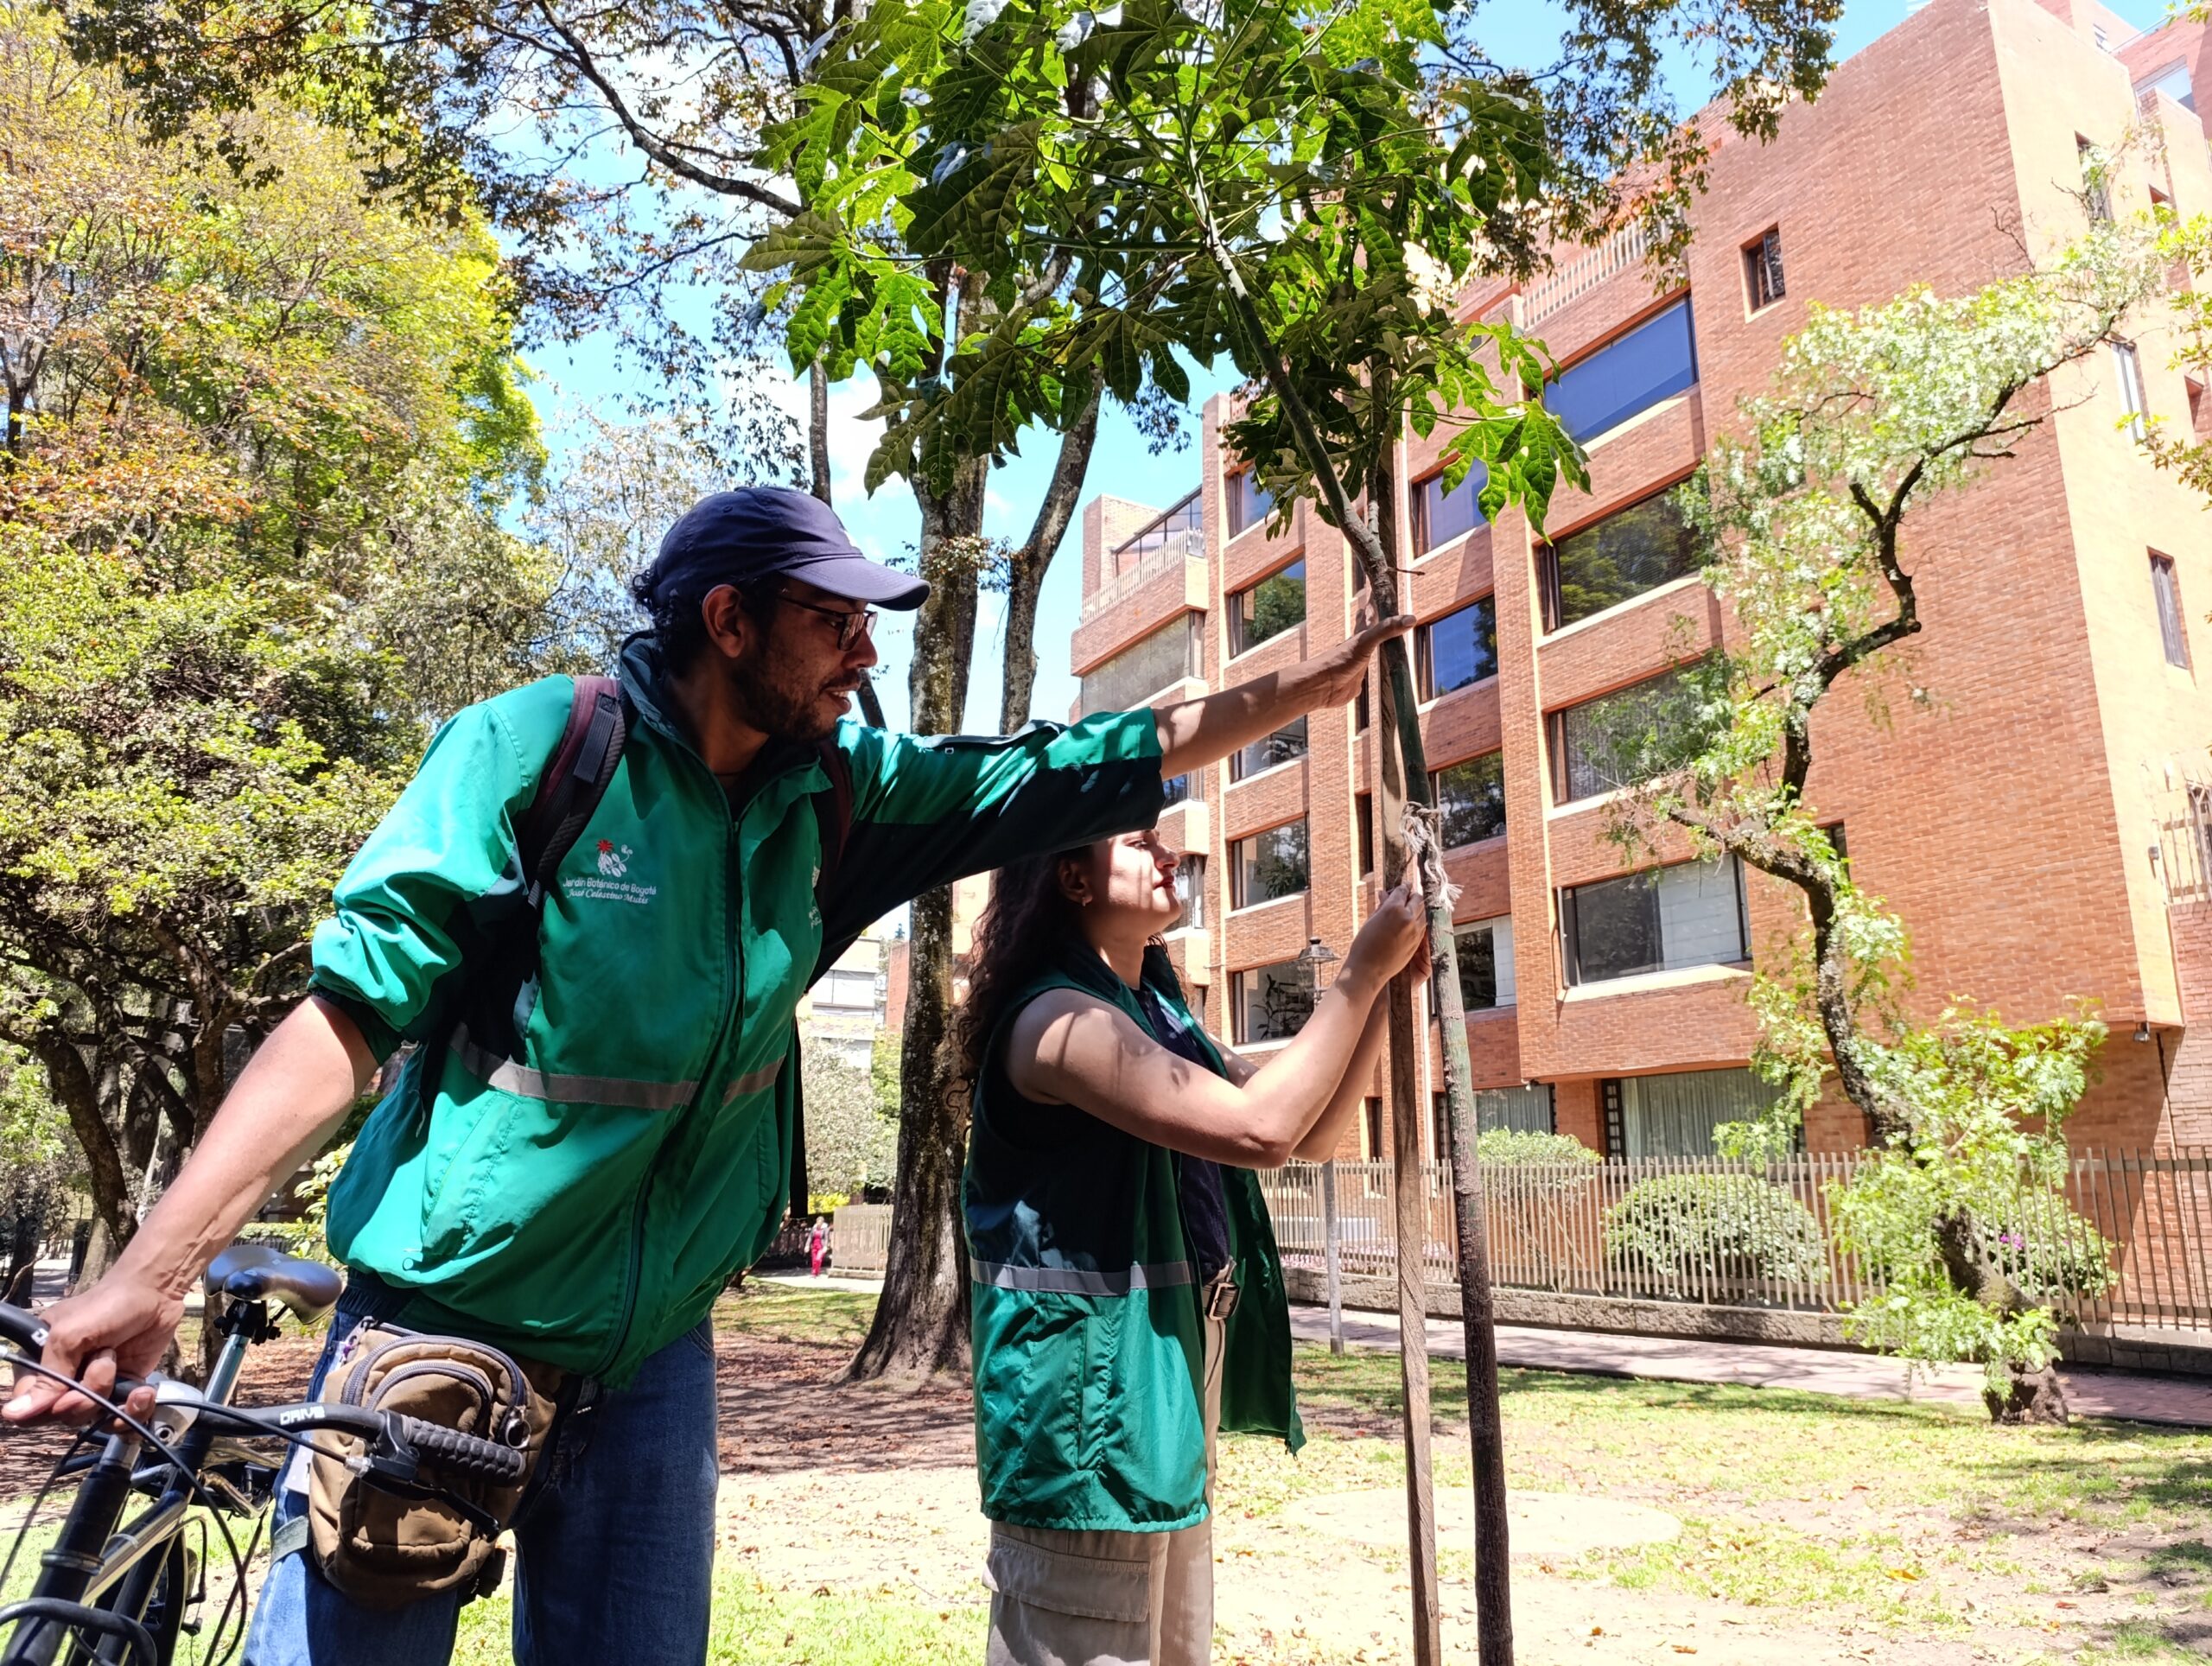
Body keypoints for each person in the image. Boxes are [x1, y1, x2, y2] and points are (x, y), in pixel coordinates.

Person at [3, 484, 1408, 1666]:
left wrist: (1324, 679)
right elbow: (343, 1022)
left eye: (870, 623)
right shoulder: (536, 750)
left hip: (654, 1356)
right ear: (727, 621)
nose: (864, 654)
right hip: (448, 1332)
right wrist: (151, 1268)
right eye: (831, 620)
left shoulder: (839, 801)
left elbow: (1078, 764)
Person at [960, 826, 1427, 1666]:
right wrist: (1356, 972)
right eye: (1139, 840)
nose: (1170, 852)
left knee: (1174, 1640)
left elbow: (1314, 1130)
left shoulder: (1161, 1015)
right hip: (1086, 1401)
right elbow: (1262, 1129)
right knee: (1092, 1634)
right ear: (1070, 874)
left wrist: (1383, 993)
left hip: (1165, 1370)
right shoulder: (1057, 1019)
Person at [807, 1215, 830, 1279]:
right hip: (814, 1246)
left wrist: (825, 1246)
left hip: (821, 1247)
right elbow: (810, 1237)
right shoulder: (814, 1229)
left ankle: (817, 1272)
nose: (818, 1223)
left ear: (822, 1223)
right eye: (818, 1222)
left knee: (818, 1259)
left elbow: (826, 1238)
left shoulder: (825, 1229)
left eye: (820, 1222)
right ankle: (814, 1274)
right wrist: (807, 1245)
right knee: (814, 1260)